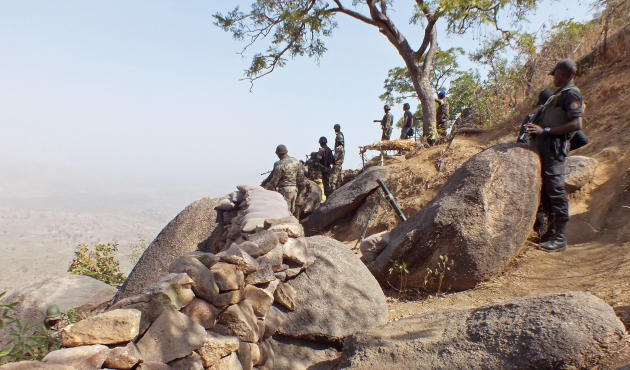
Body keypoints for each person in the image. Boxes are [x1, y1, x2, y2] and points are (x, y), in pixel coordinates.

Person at [524, 58, 583, 252]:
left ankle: (560, 238)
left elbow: (576, 125)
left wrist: (545, 131)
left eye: (555, 73)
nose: (553, 77)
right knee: (548, 190)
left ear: (564, 73)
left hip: (555, 148)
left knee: (556, 189)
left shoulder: (571, 94)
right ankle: (551, 232)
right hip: (546, 148)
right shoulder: (558, 95)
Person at [262, 144, 305, 216]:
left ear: (278, 153)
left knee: (285, 214)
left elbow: (274, 182)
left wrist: (265, 190)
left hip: (284, 191)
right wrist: (301, 191)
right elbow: (301, 178)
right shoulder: (296, 162)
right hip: (294, 190)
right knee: (293, 212)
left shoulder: (280, 164)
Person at [330, 124, 345, 190]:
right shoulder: (342, 148)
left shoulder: (339, 148)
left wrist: (330, 161)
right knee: (338, 181)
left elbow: (334, 159)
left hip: (336, 165)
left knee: (333, 181)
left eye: (335, 129)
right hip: (339, 165)